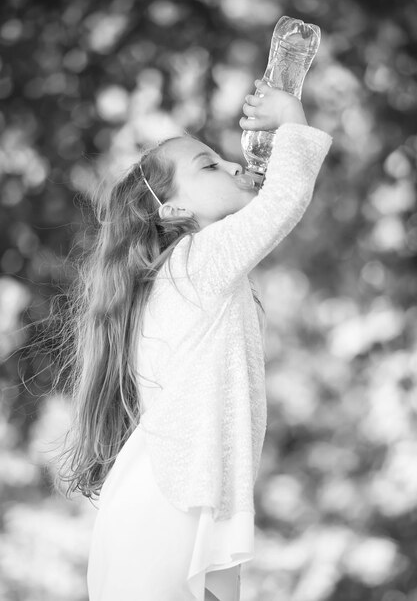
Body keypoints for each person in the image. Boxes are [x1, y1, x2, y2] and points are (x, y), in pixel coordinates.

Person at [55, 79, 333, 601]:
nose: (233, 166)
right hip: (169, 506)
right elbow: (285, 199)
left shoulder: (188, 278)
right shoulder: (193, 264)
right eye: (209, 165)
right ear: (173, 210)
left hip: (178, 505)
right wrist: (292, 120)